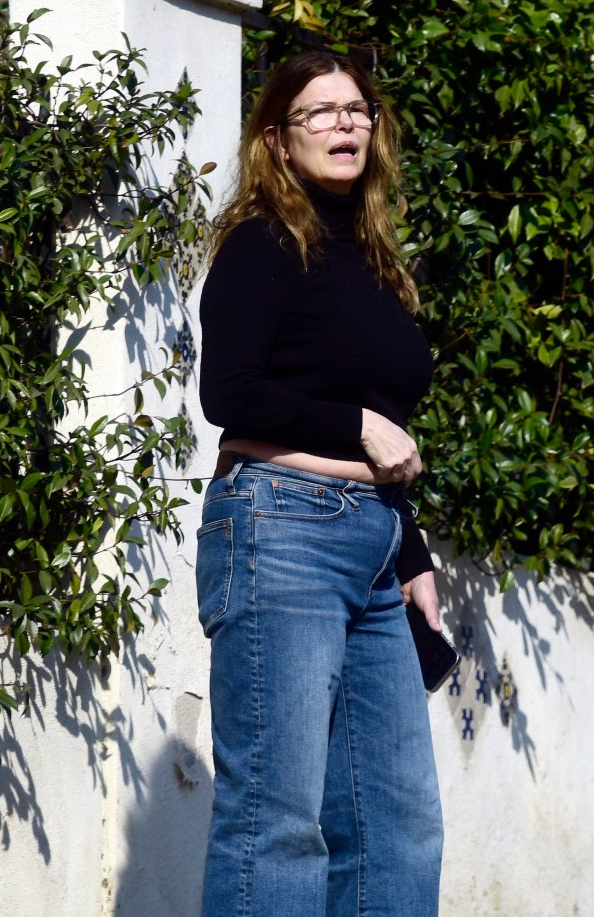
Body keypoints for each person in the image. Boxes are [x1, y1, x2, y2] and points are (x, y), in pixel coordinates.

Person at [195, 50, 444, 917]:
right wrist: (355, 429)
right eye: (320, 112)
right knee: (278, 820)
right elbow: (228, 392)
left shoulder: (374, 259)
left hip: (374, 549)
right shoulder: (262, 242)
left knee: (398, 823)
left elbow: (376, 405)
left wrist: (408, 550)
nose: (346, 123)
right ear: (276, 137)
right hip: (279, 528)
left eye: (357, 110)